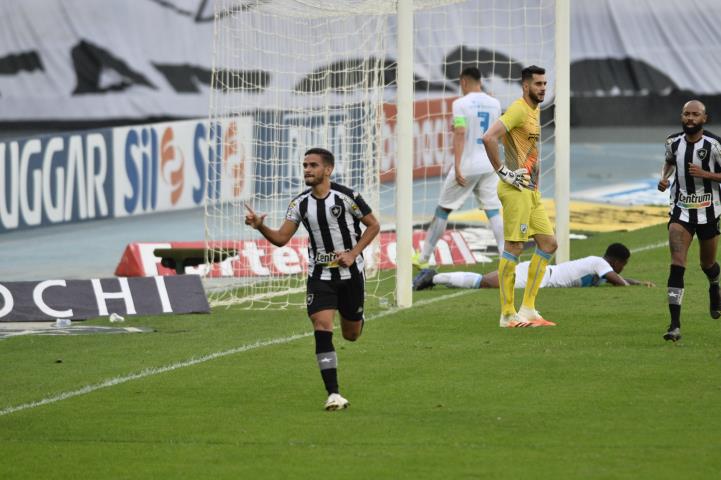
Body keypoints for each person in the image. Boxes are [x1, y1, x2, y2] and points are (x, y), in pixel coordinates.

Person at [244, 147, 380, 409]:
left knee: (351, 335)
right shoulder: (299, 203)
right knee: (322, 327)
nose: (307, 169)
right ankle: (333, 393)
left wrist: (353, 253)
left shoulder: (347, 197)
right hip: (319, 276)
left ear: (327, 170)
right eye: (305, 165)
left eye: (313, 165)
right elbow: (282, 239)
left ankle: (356, 317)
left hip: (351, 274)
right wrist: (260, 226)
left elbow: (373, 225)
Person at [481, 65, 557, 328]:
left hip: (531, 192)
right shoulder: (518, 109)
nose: (543, 88)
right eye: (538, 84)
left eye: (545, 84)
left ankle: (528, 309)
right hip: (516, 190)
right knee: (514, 247)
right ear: (526, 86)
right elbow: (489, 137)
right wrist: (503, 172)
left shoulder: (534, 112)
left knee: (548, 244)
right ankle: (506, 314)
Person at [412, 67, 503, 273]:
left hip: (468, 165)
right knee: (493, 210)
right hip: (490, 164)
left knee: (443, 209)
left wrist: (458, 166)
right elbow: (495, 134)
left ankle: (424, 257)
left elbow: (460, 133)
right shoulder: (494, 103)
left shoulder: (460, 103)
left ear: (463, 82)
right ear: (480, 81)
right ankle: (505, 257)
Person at [657, 100, 721, 342]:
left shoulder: (714, 145)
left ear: (705, 118)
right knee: (677, 262)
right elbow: (670, 163)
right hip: (681, 210)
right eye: (686, 114)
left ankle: (714, 284)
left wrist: (706, 175)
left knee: (708, 264)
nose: (690, 118)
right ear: (681, 116)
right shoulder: (673, 142)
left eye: (695, 114)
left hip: (709, 212)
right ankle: (674, 325)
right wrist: (664, 179)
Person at [412, 243, 655, 296]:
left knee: (484, 282)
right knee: (485, 282)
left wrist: (639, 282)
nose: (623, 270)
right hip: (538, 276)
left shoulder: (598, 267)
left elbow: (618, 280)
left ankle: (434, 277)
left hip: (540, 275)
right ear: (617, 261)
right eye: (624, 265)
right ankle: (433, 276)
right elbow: (618, 282)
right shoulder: (600, 264)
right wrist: (631, 286)